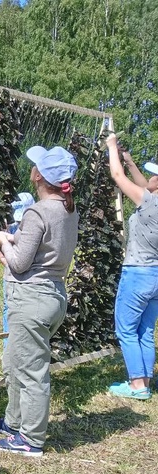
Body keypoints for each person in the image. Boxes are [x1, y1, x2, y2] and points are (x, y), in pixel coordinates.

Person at [0, 146, 79, 457]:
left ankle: (31, 440)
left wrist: (3, 243)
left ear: (39, 176)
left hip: (31, 299)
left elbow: (21, 263)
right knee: (15, 362)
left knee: (32, 371)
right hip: (52, 295)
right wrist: (15, 240)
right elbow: (44, 249)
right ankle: (13, 422)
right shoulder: (67, 209)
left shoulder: (36, 212)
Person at [104, 134, 158, 399]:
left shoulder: (149, 203)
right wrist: (130, 161)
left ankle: (137, 385)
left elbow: (117, 176)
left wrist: (112, 148)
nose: (149, 178)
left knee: (125, 328)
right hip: (157, 277)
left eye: (153, 176)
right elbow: (141, 184)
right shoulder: (152, 199)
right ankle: (145, 381)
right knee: (145, 330)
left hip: (138, 273)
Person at [2, 192, 36, 340]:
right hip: (12, 274)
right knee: (9, 308)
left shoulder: (37, 226)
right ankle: (8, 343)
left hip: (33, 276)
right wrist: (15, 267)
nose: (18, 223)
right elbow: (1, 255)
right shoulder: (9, 226)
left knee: (31, 310)